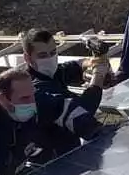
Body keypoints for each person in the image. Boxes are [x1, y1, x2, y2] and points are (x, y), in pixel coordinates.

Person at [21, 28, 112, 157]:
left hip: (70, 153)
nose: (50, 59)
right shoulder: (35, 90)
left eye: (53, 52)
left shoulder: (50, 74)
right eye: (42, 55)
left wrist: (91, 63)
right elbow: (83, 111)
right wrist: (98, 76)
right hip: (53, 163)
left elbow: (73, 67)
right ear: (27, 58)